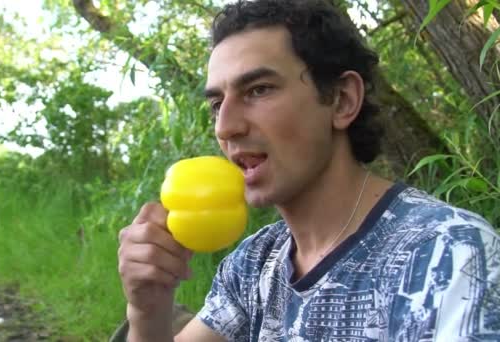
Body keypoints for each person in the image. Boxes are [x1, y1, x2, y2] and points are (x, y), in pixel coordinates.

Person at [115, 0, 500, 341]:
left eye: (259, 90)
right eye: (217, 104)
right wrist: (148, 310)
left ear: (341, 100)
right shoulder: (254, 262)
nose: (225, 126)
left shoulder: (449, 255)